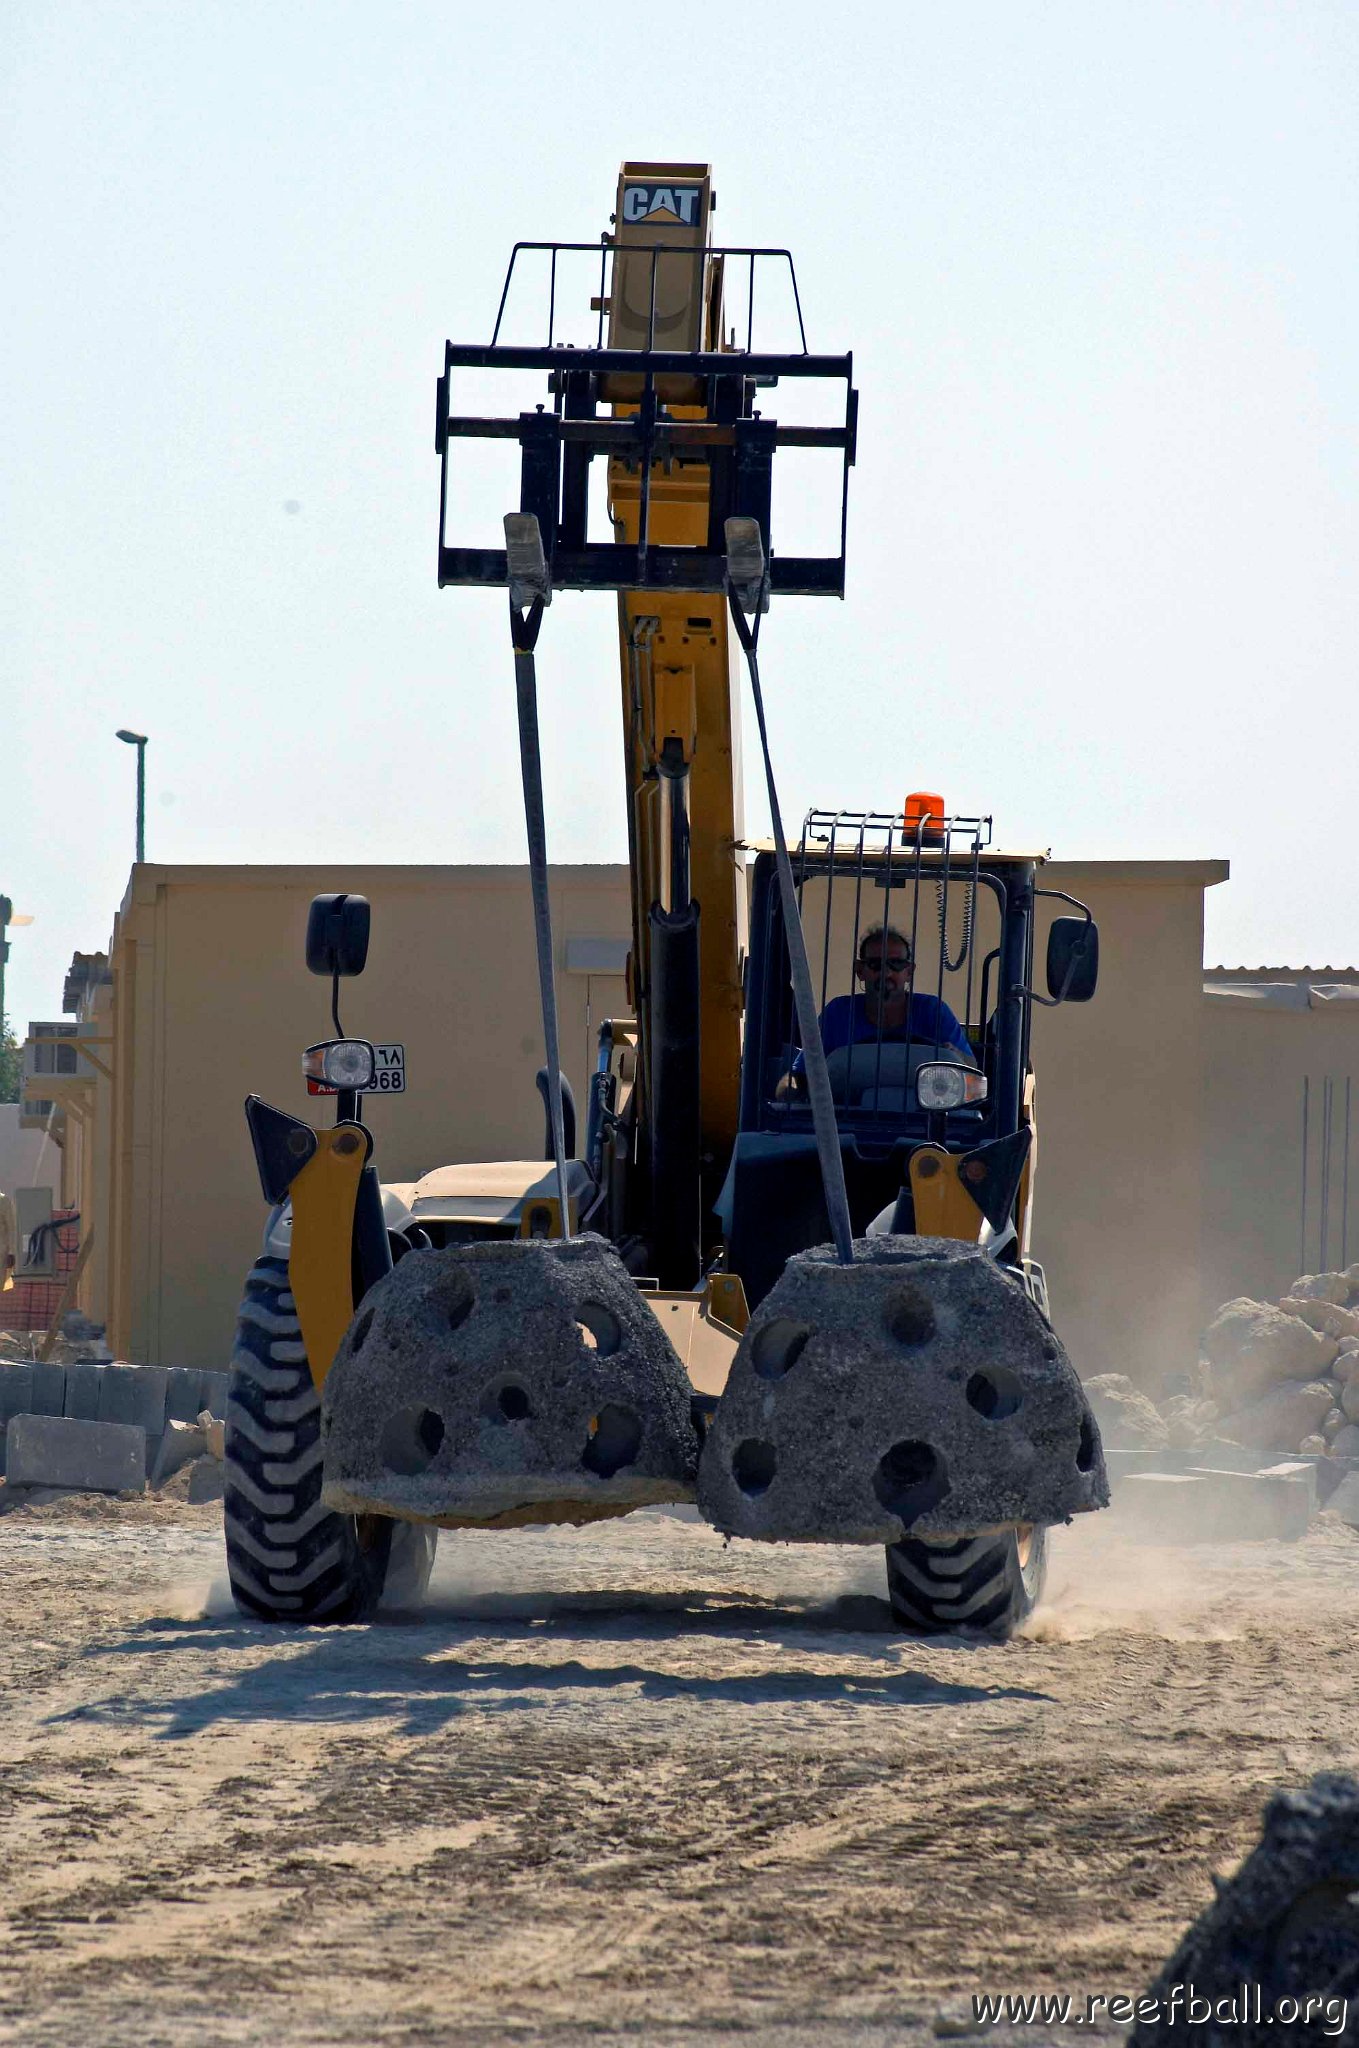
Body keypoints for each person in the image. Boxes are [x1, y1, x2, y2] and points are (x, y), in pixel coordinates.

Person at [793, 922, 972, 1078]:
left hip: (924, 1116)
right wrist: (789, 1091)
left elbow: (972, 1068)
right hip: (848, 1116)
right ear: (859, 970)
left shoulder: (933, 1010)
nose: (886, 973)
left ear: (909, 972)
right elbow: (800, 1073)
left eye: (896, 964)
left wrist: (957, 1057)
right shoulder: (837, 1012)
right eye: (875, 964)